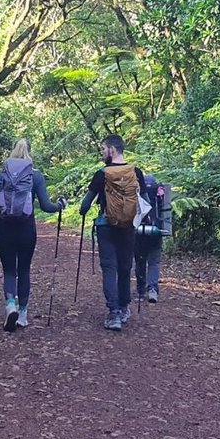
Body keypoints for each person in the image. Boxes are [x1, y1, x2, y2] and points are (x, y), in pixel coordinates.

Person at [0, 139, 65, 332]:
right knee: (24, 270)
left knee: (9, 270)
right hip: (26, 230)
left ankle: (10, 306)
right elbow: (47, 206)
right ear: (29, 154)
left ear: (12, 152)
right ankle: (22, 314)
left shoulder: (1, 176)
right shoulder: (36, 177)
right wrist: (60, 205)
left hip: (4, 228)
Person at [79, 134, 144, 331]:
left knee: (109, 268)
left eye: (103, 149)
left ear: (112, 150)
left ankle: (113, 313)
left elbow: (84, 205)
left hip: (106, 226)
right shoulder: (136, 172)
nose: (102, 153)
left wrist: (83, 211)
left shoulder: (102, 174)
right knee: (125, 268)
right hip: (129, 227)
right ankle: (124, 308)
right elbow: (145, 202)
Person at [133, 172, 164, 304]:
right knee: (154, 262)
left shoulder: (135, 192)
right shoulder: (160, 194)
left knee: (140, 260)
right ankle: (152, 290)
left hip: (138, 232)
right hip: (156, 231)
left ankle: (140, 291)